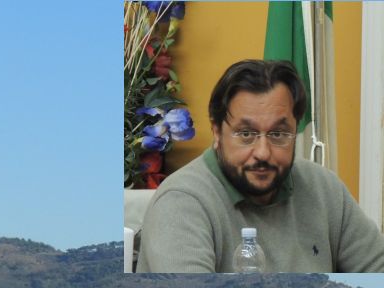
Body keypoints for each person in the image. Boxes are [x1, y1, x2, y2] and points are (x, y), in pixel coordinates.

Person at [138, 59, 384, 273]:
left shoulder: (324, 189)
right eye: (246, 134)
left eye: (278, 134)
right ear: (216, 132)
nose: (263, 152)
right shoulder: (181, 203)